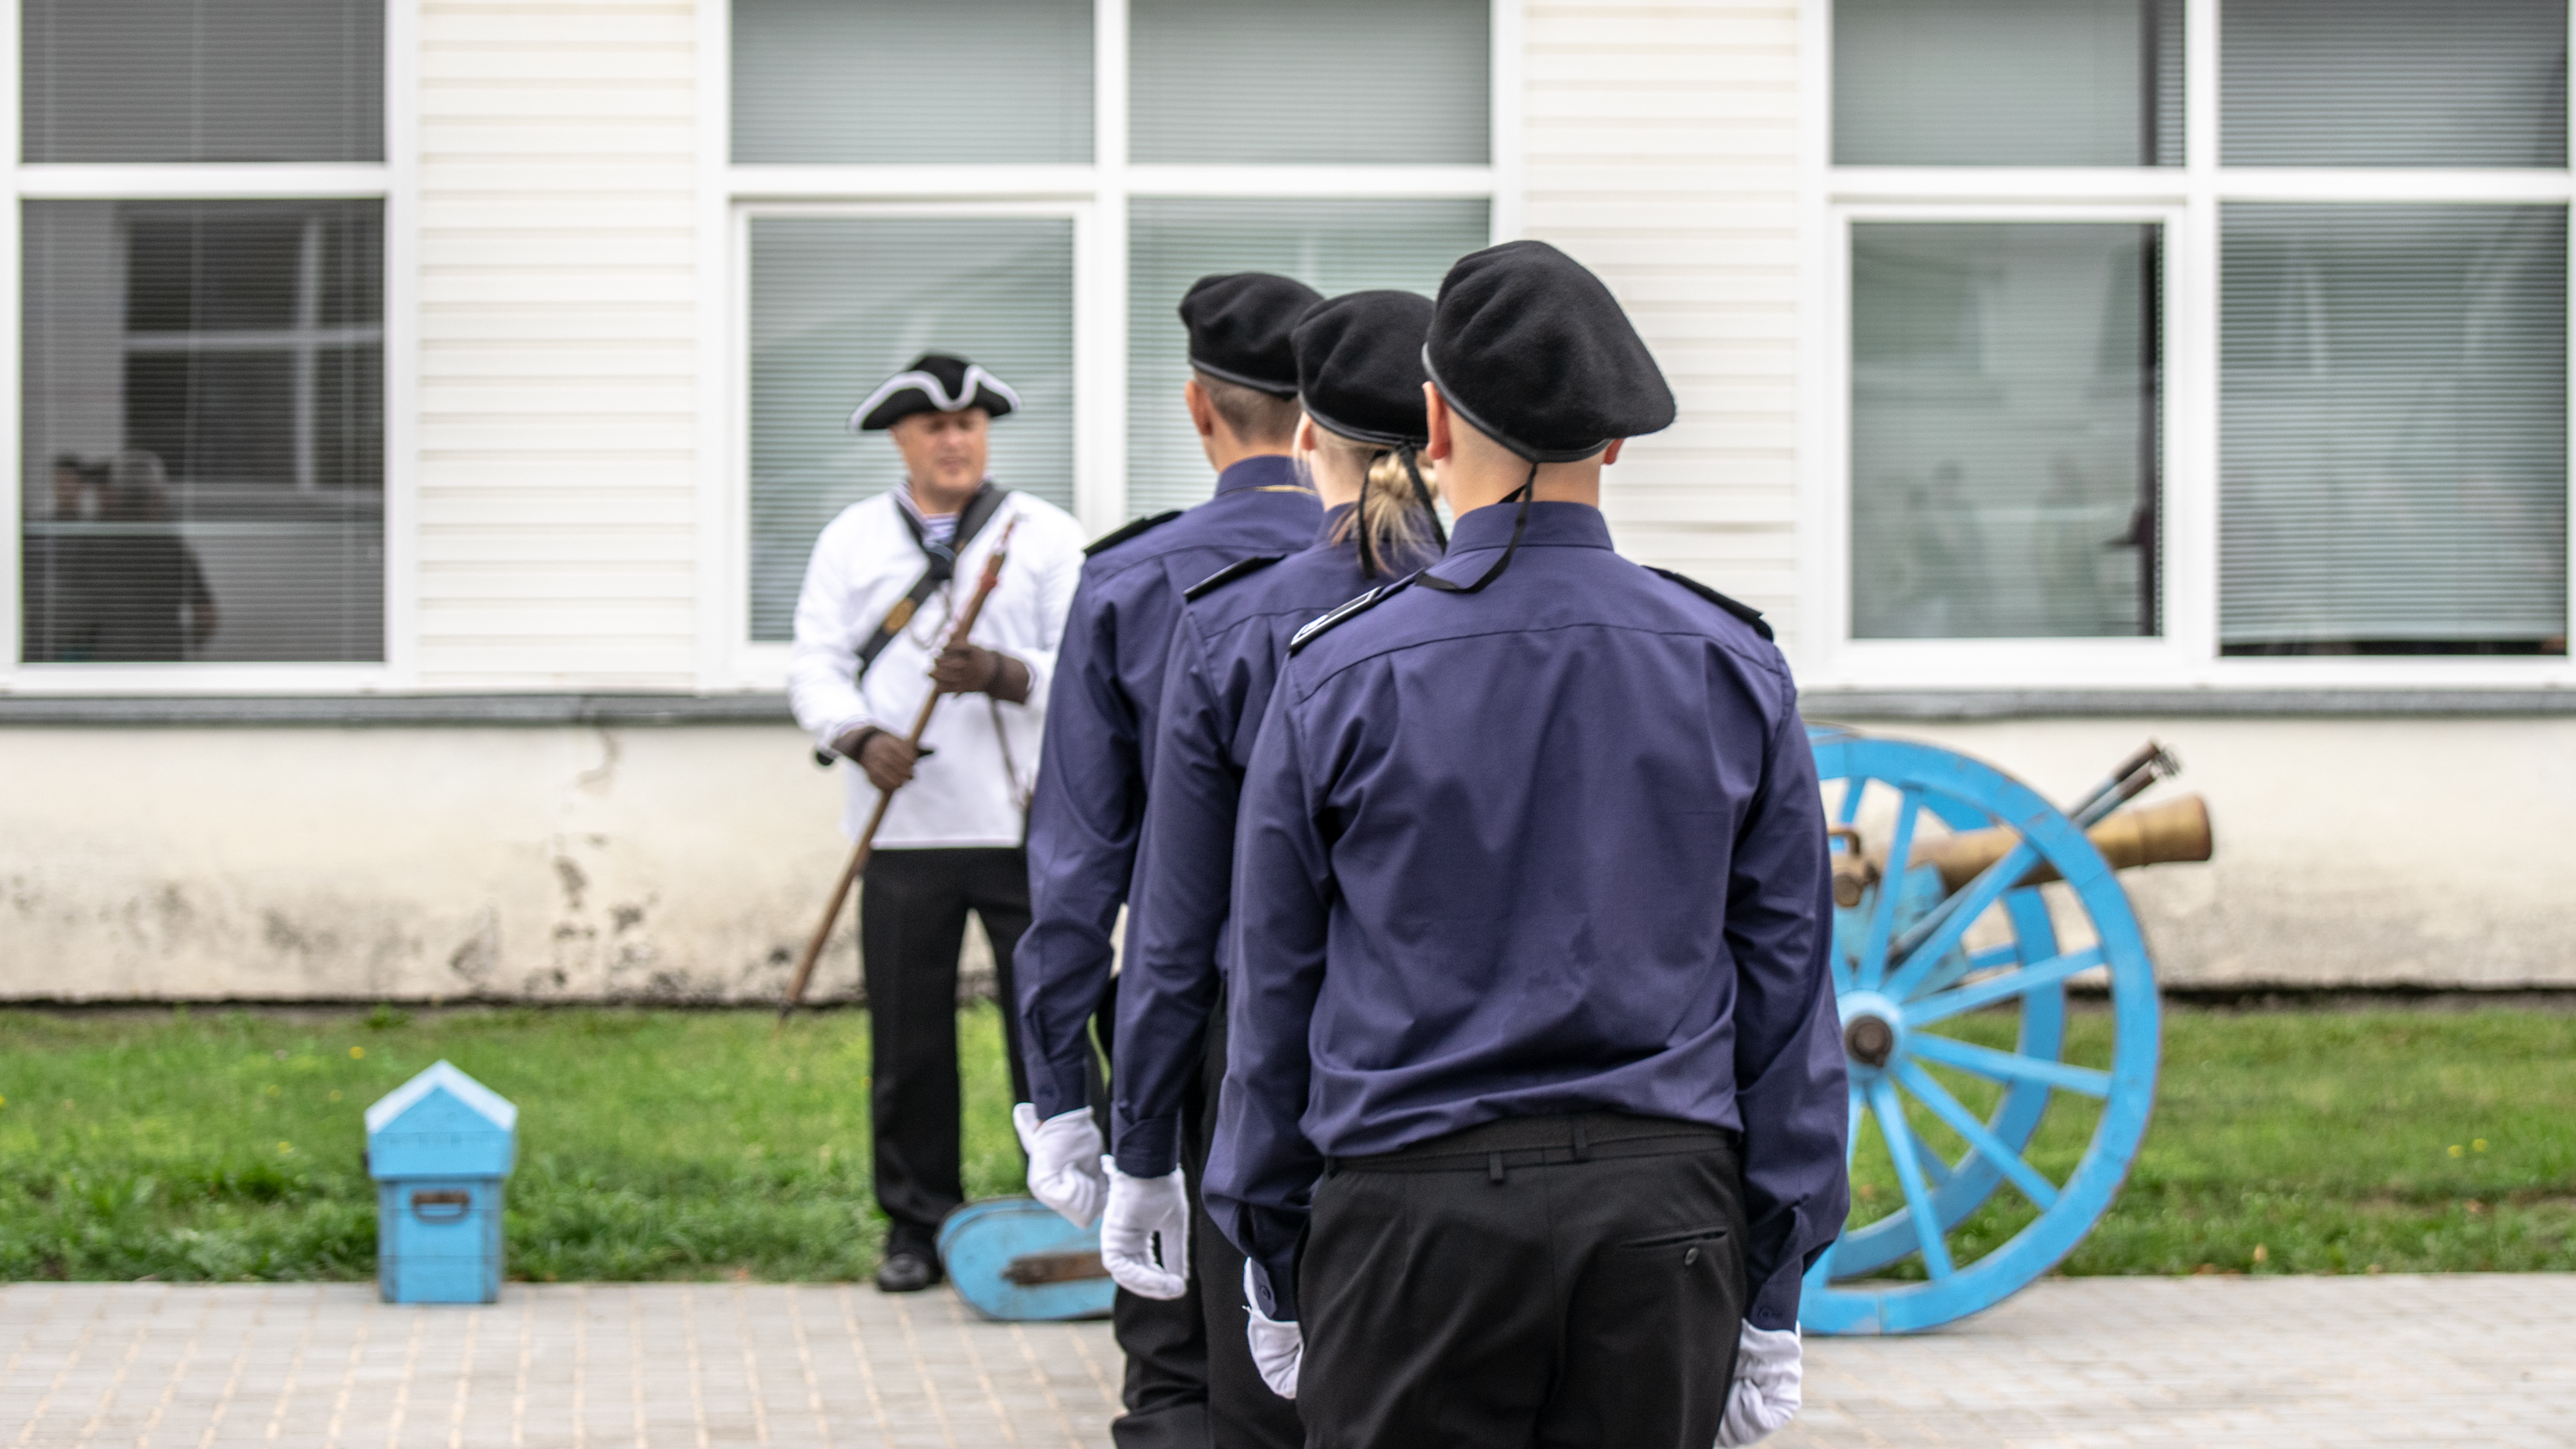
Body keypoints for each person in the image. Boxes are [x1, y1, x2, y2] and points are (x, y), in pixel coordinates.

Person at [1205, 241, 1850, 1447]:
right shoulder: (1731, 663)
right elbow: (1787, 989)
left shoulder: (1338, 670)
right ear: (1613, 443)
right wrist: (1775, 1275)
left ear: (1435, 423)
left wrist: (1269, 1240)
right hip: (1662, 1211)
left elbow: (1274, 984)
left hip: (1412, 1213)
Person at [1101, 289, 1448, 1449]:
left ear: (1308, 435)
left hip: (1260, 1065)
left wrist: (1140, 1138)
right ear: (1443, 431)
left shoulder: (1231, 623)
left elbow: (1174, 920)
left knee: (1258, 1410)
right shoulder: (1511, 607)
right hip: (1459, 1073)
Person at [1012, 272, 1326, 1447]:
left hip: (1193, 1027)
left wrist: (1059, 1086)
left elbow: (1078, 869)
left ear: (1199, 407)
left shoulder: (1133, 578)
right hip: (1391, 1024)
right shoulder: (1421, 566)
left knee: (1181, 1359)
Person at [786, 352, 1087, 1294]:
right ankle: (916, 1223)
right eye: (934, 427)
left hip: (1024, 824)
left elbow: (1086, 663)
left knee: (1049, 1026)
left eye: (969, 424)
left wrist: (1005, 673)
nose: (955, 441)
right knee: (908, 1037)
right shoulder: (851, 540)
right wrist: (856, 735)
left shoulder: (1045, 534)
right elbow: (815, 663)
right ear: (901, 440)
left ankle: (1074, 1207)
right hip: (905, 826)